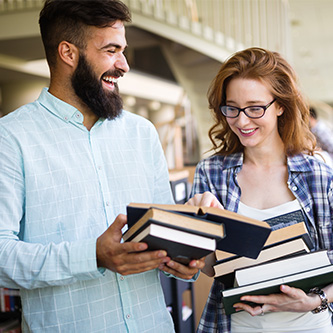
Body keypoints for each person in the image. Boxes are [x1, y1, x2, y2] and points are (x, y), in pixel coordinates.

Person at [0, 1, 204, 332]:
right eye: (111, 50)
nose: (123, 65)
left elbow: (163, 234)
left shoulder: (142, 134)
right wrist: (92, 256)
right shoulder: (11, 139)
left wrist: (182, 260)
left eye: (122, 50)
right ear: (68, 53)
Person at [187, 47, 333, 332]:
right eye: (232, 108)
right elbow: (209, 268)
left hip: (308, 326)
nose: (241, 121)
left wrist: (316, 300)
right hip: (236, 326)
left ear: (280, 105)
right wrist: (193, 232)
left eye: (255, 108)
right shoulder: (211, 172)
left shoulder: (318, 175)